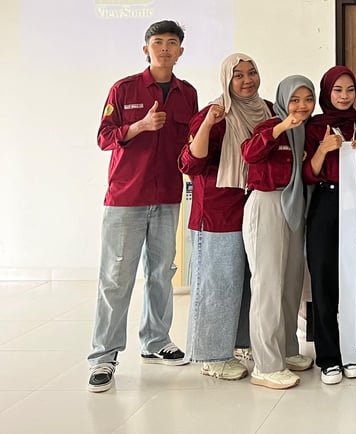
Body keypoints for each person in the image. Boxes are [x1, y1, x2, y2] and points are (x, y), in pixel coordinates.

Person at [88, 20, 198, 393]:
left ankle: (156, 341)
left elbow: (190, 144)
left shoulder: (187, 93)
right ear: (146, 49)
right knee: (116, 278)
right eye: (158, 42)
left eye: (172, 42)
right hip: (126, 197)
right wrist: (139, 126)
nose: (165, 48)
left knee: (161, 273)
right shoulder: (124, 89)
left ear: (180, 51)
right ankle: (103, 356)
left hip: (167, 195)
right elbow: (104, 137)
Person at [179, 53, 273, 380]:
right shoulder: (214, 114)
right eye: (238, 75)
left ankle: (242, 343)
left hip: (256, 208)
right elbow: (190, 164)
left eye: (252, 72)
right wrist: (207, 124)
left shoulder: (268, 111)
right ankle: (212, 355)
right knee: (219, 284)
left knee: (249, 281)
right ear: (226, 80)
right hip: (218, 213)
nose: (247, 80)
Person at [240, 75, 318, 390]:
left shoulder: (305, 132)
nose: (302, 106)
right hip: (267, 203)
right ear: (284, 100)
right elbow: (249, 154)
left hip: (293, 206)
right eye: (295, 99)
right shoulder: (271, 125)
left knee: (291, 282)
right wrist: (281, 127)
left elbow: (308, 172)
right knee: (268, 285)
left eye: (308, 99)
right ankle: (266, 364)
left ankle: (286, 349)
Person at [305, 66, 356, 385]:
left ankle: (352, 351)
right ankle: (328, 357)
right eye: (338, 90)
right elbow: (308, 174)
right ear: (327, 92)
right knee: (323, 278)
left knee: (355, 279)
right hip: (326, 202)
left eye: (350, 89)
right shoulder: (315, 126)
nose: (345, 96)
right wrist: (322, 149)